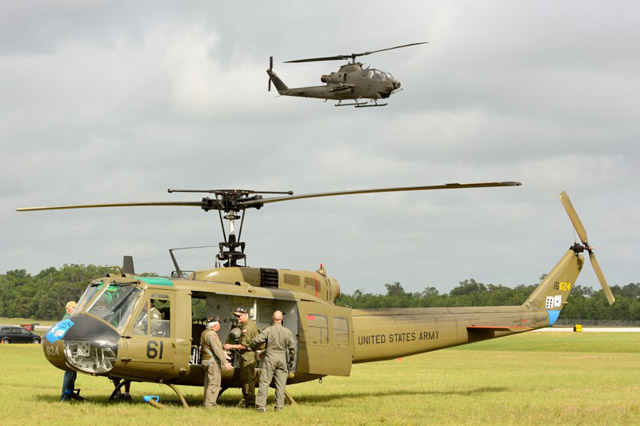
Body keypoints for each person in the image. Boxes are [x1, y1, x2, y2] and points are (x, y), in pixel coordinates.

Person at [250, 310, 296, 413]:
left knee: (265, 382)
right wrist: (291, 360)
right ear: (282, 319)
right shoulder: (287, 332)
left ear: (272, 318)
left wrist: (251, 346)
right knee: (281, 385)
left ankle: (261, 407)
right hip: (282, 359)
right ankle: (279, 407)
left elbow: (257, 340)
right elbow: (293, 348)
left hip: (270, 357)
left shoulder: (268, 330)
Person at [223, 307, 259, 408]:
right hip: (246, 356)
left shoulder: (247, 328)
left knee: (247, 380)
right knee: (245, 379)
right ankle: (248, 401)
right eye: (236, 316)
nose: (237, 318)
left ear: (245, 314)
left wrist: (231, 346)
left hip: (248, 357)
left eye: (239, 316)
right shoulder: (245, 325)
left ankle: (250, 402)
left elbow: (245, 346)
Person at [200, 316, 233, 408]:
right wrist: (225, 362)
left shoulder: (205, 333)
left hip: (206, 361)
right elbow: (217, 349)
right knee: (214, 384)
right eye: (219, 324)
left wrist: (224, 354)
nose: (220, 325)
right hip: (212, 362)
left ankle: (206, 404)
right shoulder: (212, 334)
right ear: (215, 325)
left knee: (208, 384)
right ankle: (210, 406)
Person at [60, 301, 78, 401]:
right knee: (70, 372)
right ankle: (65, 396)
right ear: (70, 309)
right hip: (69, 348)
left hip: (68, 348)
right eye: (75, 308)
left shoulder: (66, 319)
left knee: (71, 373)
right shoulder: (68, 320)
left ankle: (68, 394)